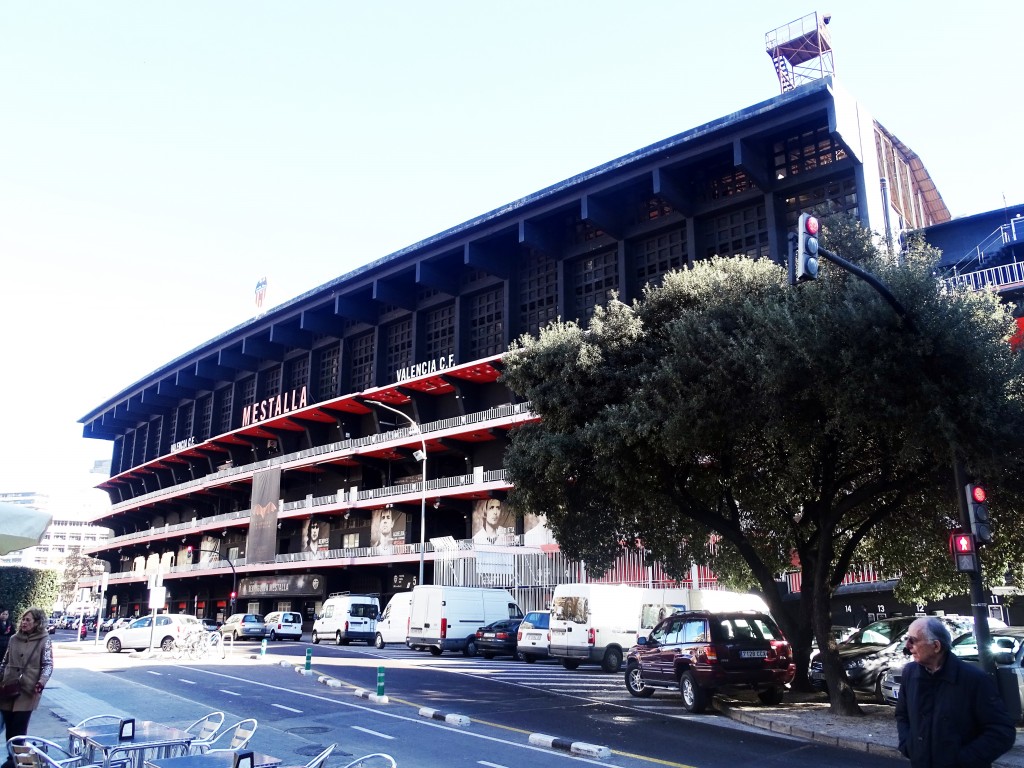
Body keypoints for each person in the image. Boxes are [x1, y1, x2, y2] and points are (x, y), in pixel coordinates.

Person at [895, 616, 1015, 768]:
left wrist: (961, 760)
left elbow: (1002, 732)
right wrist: (909, 745)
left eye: (913, 640)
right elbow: (902, 715)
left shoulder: (974, 679)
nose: (908, 646)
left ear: (936, 646)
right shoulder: (910, 674)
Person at [0, 607, 54, 759]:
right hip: (8, 689)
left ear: (37, 622)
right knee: (10, 730)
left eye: (28, 620)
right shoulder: (13, 639)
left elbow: (48, 664)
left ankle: (15, 761)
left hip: (28, 691)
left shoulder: (44, 640)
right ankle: (14, 759)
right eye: (23, 619)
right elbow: (5, 662)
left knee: (19, 730)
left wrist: (41, 682)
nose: (24, 622)